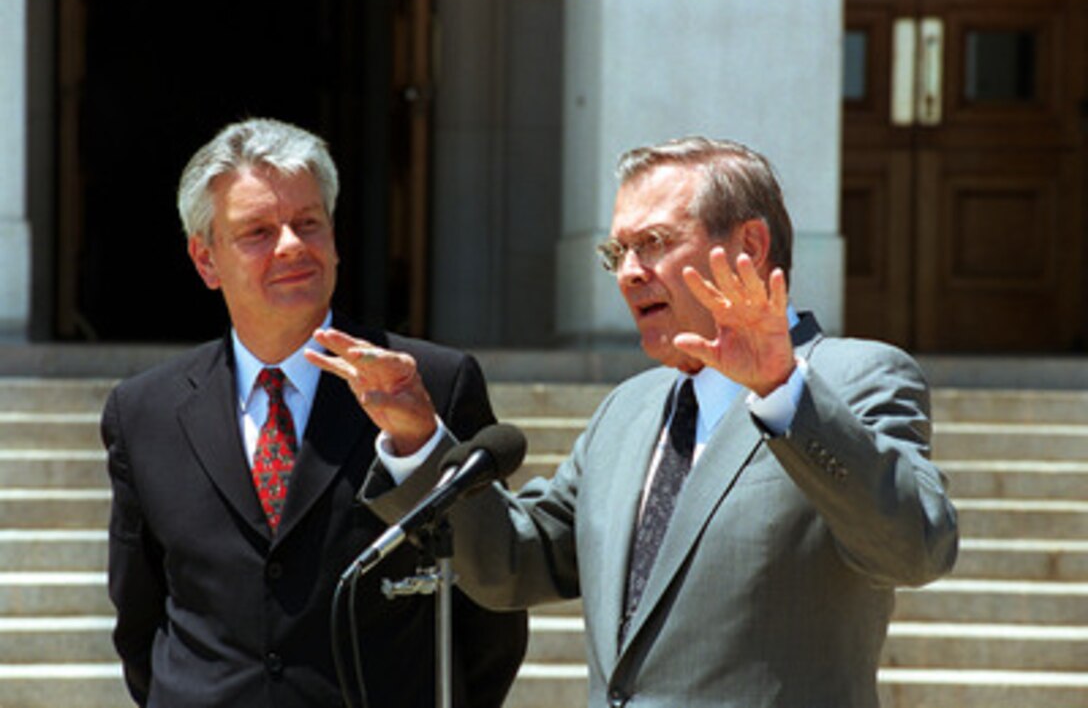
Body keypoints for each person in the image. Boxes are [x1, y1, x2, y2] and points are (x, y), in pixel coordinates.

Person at [322, 137, 959, 707]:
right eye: (617, 251)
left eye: (652, 243)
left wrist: (780, 388)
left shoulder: (853, 377)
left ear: (750, 246)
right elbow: (518, 560)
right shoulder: (629, 409)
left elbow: (914, 549)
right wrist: (417, 436)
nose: (628, 272)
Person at [102, 117, 528, 708]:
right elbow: (139, 619)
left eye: (309, 224)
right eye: (257, 232)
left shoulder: (432, 383)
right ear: (206, 260)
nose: (292, 247)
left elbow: (491, 607)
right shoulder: (143, 412)